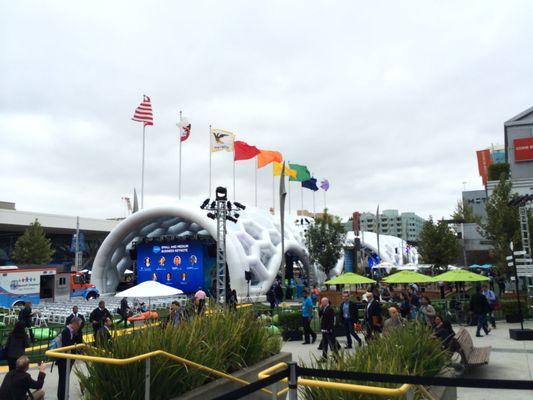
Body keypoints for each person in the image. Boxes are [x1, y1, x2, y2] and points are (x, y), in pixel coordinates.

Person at [57, 317, 81, 400]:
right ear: (74, 323)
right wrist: (73, 341)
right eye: (78, 325)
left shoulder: (73, 331)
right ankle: (61, 397)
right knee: (63, 379)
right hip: (63, 360)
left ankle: (64, 395)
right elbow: (66, 345)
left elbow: (78, 341)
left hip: (68, 360)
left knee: (65, 378)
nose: (79, 327)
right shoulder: (66, 331)